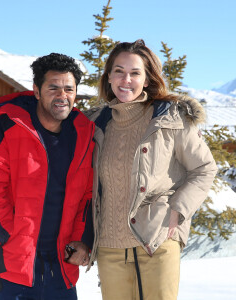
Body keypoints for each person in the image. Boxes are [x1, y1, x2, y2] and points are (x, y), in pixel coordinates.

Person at [85, 39, 218, 300]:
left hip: (156, 240)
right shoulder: (94, 124)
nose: (126, 79)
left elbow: (204, 168)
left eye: (135, 73)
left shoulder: (171, 118)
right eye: (119, 71)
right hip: (109, 246)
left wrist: (177, 210)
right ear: (109, 76)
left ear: (147, 79)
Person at [0, 53, 95, 300]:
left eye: (69, 89)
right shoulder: (9, 128)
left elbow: (88, 196)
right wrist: (11, 238)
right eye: (53, 87)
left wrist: (81, 240)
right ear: (37, 91)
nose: (62, 95)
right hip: (10, 267)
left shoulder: (84, 136)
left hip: (61, 268)